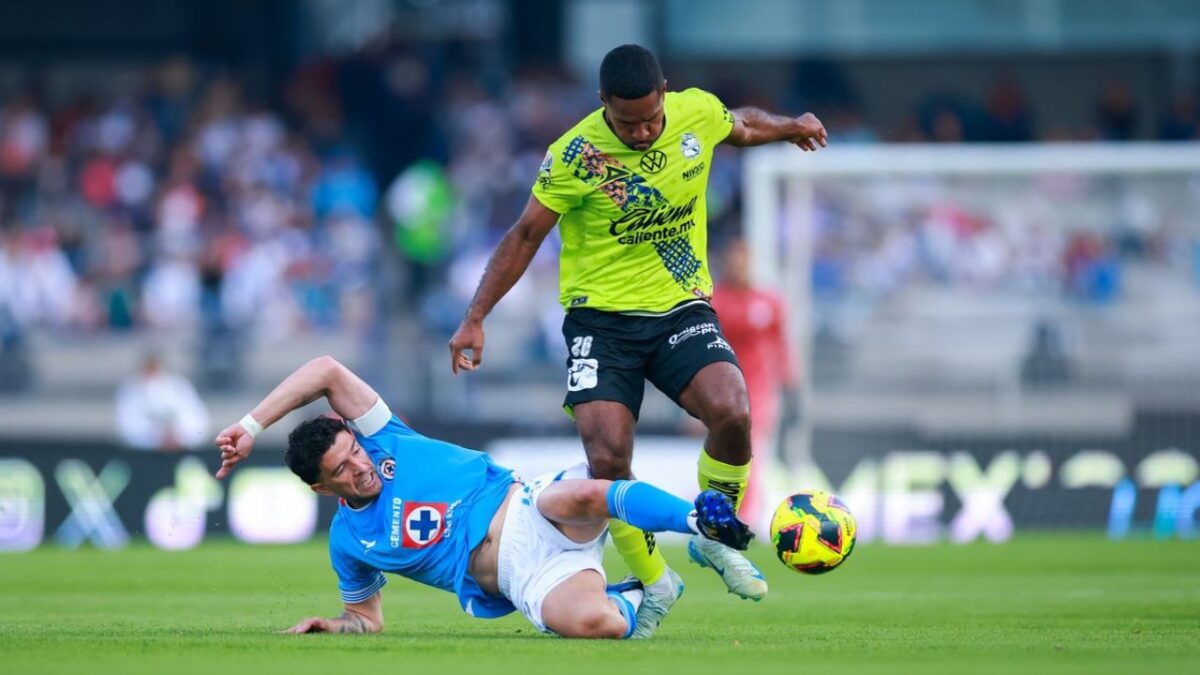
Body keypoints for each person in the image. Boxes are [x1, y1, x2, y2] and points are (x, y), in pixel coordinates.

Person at [448, 44, 826, 636]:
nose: (644, 131)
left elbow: (745, 123)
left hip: (678, 310)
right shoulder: (574, 155)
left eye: (651, 118)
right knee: (607, 462)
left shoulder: (694, 112)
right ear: (603, 105)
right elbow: (524, 236)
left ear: (666, 93)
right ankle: (656, 579)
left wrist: (791, 126)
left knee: (733, 411)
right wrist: (476, 317)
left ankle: (714, 535)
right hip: (601, 324)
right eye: (628, 123)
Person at [212, 355, 752, 639]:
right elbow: (367, 620)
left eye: (355, 452)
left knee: (580, 495)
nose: (361, 467)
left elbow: (325, 370)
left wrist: (250, 424)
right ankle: (642, 592)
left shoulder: (387, 437)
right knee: (598, 626)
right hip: (524, 580)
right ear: (320, 487)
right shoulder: (349, 542)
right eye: (343, 470)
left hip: (526, 507)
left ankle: (700, 522)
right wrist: (332, 625)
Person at [710, 239, 800, 530]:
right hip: (721, 387)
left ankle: (744, 514)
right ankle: (719, 508)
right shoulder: (715, 301)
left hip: (759, 390)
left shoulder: (768, 301)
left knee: (747, 447)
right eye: (734, 260)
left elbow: (781, 344)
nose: (739, 266)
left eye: (744, 260)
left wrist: (791, 385)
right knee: (723, 450)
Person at [115, 351, 210, 451]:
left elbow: (198, 421)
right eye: (148, 369)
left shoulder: (180, 386)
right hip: (143, 455)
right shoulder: (131, 390)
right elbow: (127, 427)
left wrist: (178, 435)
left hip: (181, 451)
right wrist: (157, 437)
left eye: (155, 368)